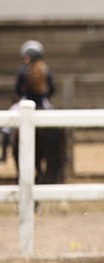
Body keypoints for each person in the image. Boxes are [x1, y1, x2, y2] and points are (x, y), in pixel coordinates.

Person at [11, 40, 67, 184]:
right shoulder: (45, 70)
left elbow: (17, 89)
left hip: (25, 103)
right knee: (56, 124)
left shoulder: (23, 70)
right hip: (43, 103)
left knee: (7, 126)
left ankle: (4, 151)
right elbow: (53, 89)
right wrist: (44, 97)